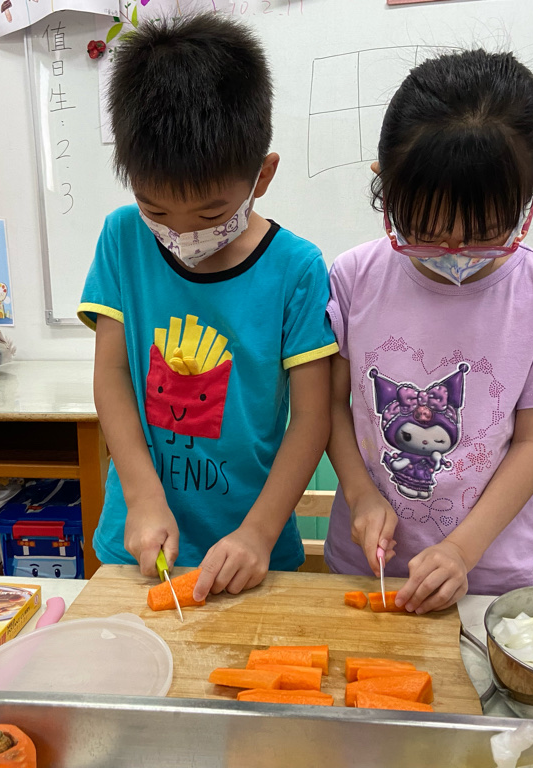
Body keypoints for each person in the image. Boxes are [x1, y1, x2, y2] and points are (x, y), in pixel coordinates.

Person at [324, 49, 533, 613]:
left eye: (484, 232)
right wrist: (361, 496)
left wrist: (462, 550)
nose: (454, 251)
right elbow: (332, 407)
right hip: (367, 563)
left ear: (532, 183)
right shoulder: (353, 279)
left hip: (487, 572)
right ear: (385, 184)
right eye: (425, 230)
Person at [78, 14, 336, 601]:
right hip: (138, 542)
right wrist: (142, 494)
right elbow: (112, 375)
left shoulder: (296, 269)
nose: (182, 233)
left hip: (252, 549)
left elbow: (312, 418)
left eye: (212, 213)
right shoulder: (122, 238)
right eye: (156, 210)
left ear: (262, 176)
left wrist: (259, 533)